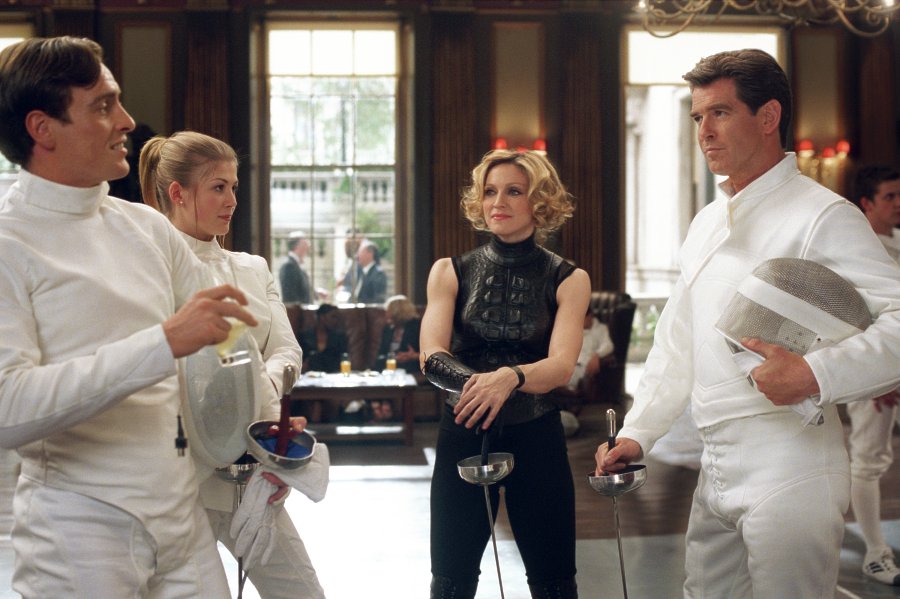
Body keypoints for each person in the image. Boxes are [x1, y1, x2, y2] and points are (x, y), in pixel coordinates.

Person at [595, 49, 900, 598]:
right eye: (698, 117)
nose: (704, 132)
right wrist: (639, 431)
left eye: (721, 113)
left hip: (793, 462)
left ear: (768, 116)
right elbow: (677, 342)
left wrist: (814, 374)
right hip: (713, 461)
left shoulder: (824, 215)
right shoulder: (706, 222)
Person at [0, 36, 260, 597]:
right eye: (102, 106)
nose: (126, 120)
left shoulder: (147, 227)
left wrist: (261, 442)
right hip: (78, 532)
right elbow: (7, 408)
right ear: (43, 128)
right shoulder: (8, 243)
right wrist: (161, 344)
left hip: (182, 517)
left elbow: (227, 346)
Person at [139, 130, 326, 598]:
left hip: (252, 467)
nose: (232, 200)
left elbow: (287, 354)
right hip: (181, 479)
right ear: (178, 193)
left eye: (234, 187)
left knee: (301, 591)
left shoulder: (253, 268)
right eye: (218, 187)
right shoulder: (149, 270)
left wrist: (257, 400)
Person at [420, 149, 590, 598]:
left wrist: (509, 377)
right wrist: (482, 387)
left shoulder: (570, 279)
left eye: (514, 191)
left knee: (554, 581)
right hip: (463, 429)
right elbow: (431, 355)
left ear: (540, 200)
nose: (498, 202)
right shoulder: (448, 271)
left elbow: (561, 365)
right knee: (450, 580)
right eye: (490, 191)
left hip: (537, 433)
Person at [844, 165, 900, 585]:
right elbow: (853, 316)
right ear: (866, 203)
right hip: (871, 371)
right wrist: (878, 375)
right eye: (889, 197)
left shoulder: (896, 241)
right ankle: (875, 553)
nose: (898, 204)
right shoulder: (855, 249)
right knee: (868, 458)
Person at [375, 294, 422, 373]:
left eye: (389, 312)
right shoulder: (388, 329)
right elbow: (380, 355)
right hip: (389, 368)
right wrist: (392, 358)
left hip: (411, 368)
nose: (387, 315)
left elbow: (429, 355)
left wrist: (414, 356)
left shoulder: (418, 327)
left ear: (397, 314)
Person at [299, 303, 348, 373]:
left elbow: (343, 359)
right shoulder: (305, 336)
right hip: (310, 375)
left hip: (332, 374)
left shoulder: (339, 337)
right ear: (322, 317)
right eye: (333, 317)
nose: (336, 321)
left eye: (337, 318)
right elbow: (300, 360)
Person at [279, 230, 313, 304]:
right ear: (298, 246)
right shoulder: (289, 266)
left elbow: (301, 289)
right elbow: (290, 299)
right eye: (305, 244)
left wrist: (316, 292)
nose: (308, 247)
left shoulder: (296, 265)